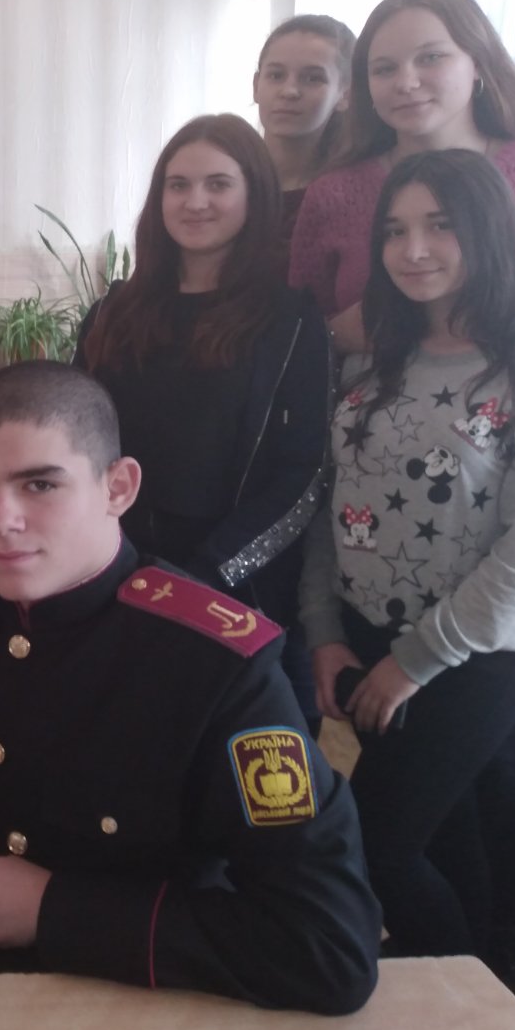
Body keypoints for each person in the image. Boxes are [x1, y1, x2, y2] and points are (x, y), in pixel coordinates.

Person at [0, 361, 380, 1013]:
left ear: (118, 488)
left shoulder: (216, 667)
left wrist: (54, 909)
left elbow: (329, 946)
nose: (0, 520)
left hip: (134, 995)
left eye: (39, 484)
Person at [300, 149, 515, 1015]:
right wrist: (325, 632)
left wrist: (414, 661)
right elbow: (329, 507)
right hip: (370, 635)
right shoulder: (371, 362)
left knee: (371, 842)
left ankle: (479, 1006)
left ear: (487, 231)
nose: (414, 249)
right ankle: (494, 998)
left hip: (475, 655)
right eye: (396, 230)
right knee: (448, 844)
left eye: (440, 225)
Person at [75, 114, 331, 732]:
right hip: (118, 572)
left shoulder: (291, 319)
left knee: (255, 762)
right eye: (178, 184)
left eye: (218, 184)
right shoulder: (114, 311)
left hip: (239, 588)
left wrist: (210, 573)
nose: (195, 202)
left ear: (254, 195)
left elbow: (304, 472)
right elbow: (72, 437)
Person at [289, 0, 515, 354]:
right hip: (369, 389)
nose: (406, 83)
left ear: (477, 62)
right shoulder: (333, 194)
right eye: (384, 69)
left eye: (431, 58)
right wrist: (336, 335)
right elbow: (296, 333)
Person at [252, 14, 355, 251]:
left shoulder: (350, 198)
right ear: (256, 86)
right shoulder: (223, 180)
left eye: (313, 79)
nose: (289, 91)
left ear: (345, 94)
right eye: (276, 75)